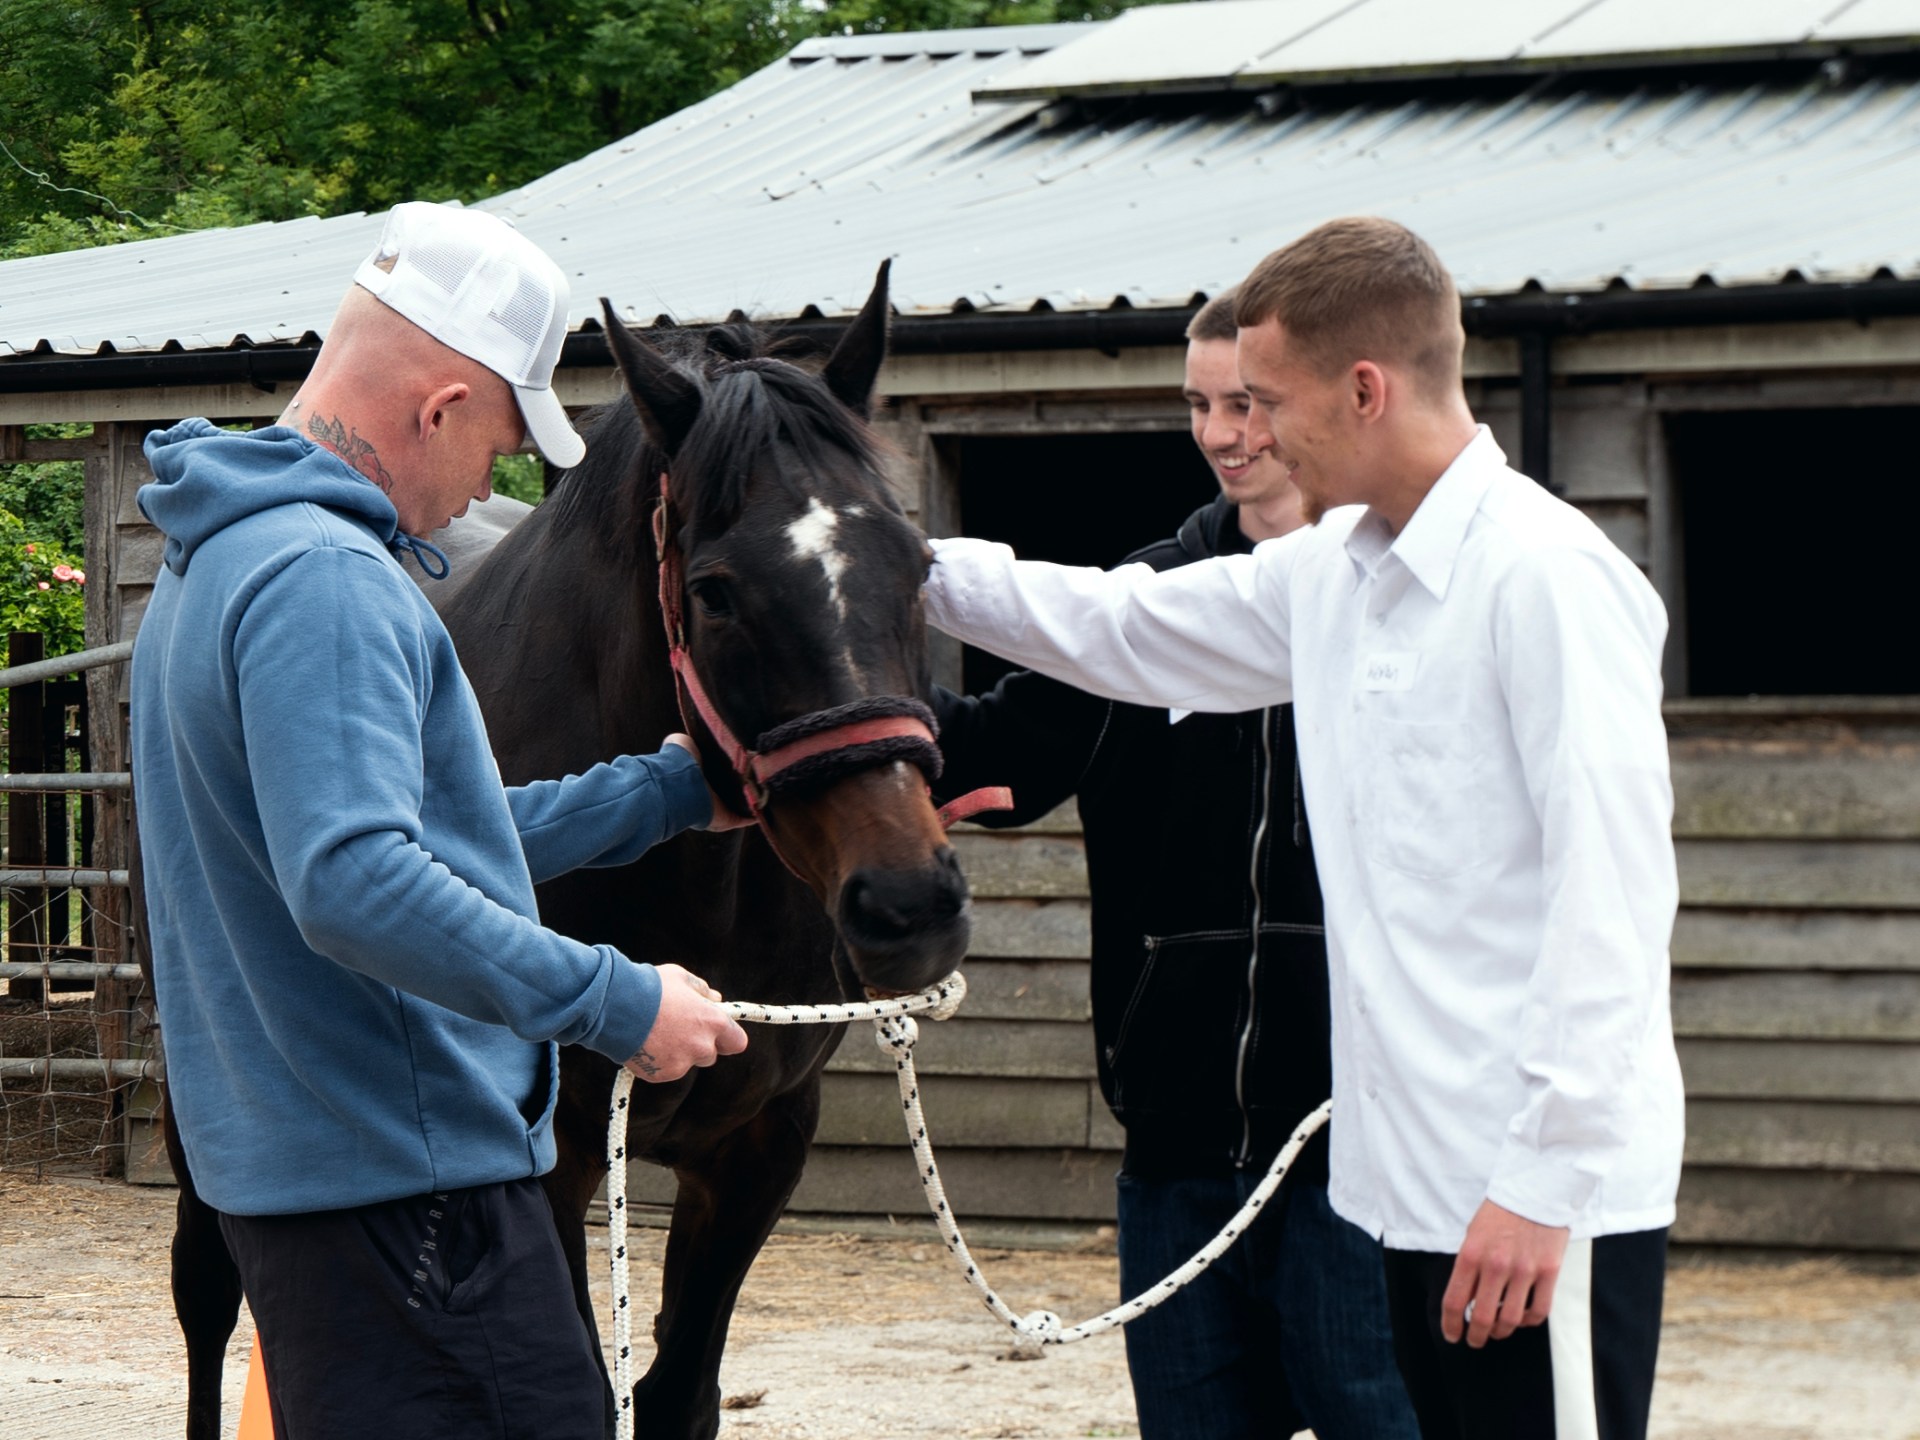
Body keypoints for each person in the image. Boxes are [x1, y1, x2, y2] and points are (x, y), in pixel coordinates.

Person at [923, 217, 1683, 1440]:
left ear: (1366, 389)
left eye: (1268, 400)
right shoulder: (1337, 570)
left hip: (1532, 1202)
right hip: (1399, 1191)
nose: (1249, 434)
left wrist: (1544, 1185)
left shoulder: (1545, 576)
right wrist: (887, 556)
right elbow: (1118, 628)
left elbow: (1612, 904)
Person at [131, 201, 750, 1438]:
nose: (494, 483)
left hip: (318, 1185)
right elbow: (356, 879)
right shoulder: (326, 580)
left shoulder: (220, 556)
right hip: (411, 1197)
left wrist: (663, 790)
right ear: (441, 406)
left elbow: (413, 839)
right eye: (505, 441)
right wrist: (619, 1002)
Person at [932, 290, 1415, 1440]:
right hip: (1178, 1149)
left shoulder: (1404, 603)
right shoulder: (1135, 607)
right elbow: (988, 754)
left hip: (1368, 1146)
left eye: (1247, 402)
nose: (1223, 433)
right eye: (1199, 404)